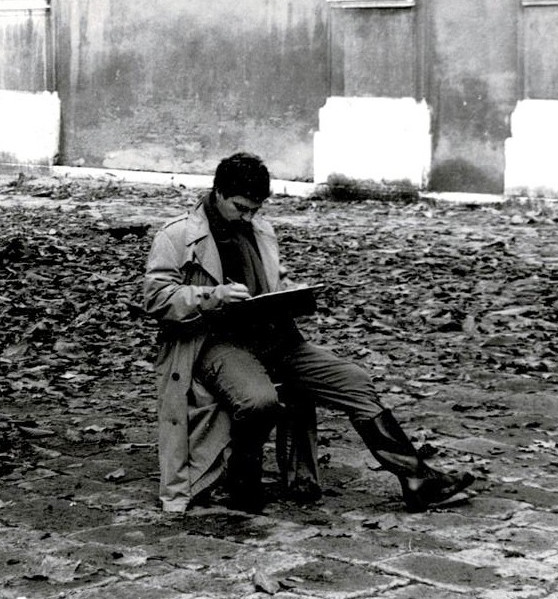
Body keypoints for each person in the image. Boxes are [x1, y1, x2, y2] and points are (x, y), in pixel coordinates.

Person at [143, 151, 475, 515]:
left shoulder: (260, 230)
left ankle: (416, 479)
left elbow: (271, 281)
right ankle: (241, 478)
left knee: (355, 382)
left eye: (256, 209)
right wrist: (212, 295)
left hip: (276, 338)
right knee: (258, 399)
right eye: (241, 207)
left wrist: (292, 290)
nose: (249, 216)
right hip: (216, 343)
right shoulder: (178, 235)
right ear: (218, 192)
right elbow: (156, 298)